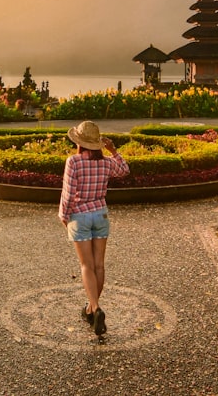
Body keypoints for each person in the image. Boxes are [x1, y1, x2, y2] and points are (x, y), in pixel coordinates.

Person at [58, 120, 130, 337]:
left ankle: (95, 308)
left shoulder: (74, 162)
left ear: (79, 142)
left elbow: (69, 193)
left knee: (86, 266)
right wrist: (114, 151)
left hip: (79, 216)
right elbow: (124, 170)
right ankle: (91, 309)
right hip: (101, 213)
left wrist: (64, 214)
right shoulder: (107, 163)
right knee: (99, 265)